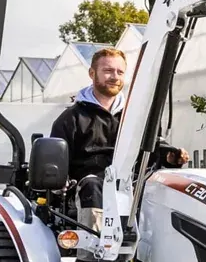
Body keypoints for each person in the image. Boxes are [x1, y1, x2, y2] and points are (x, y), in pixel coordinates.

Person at [50, 47, 187, 222]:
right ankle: (94, 245)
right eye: (108, 71)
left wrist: (169, 156)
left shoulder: (137, 117)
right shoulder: (71, 119)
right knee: (93, 185)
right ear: (92, 73)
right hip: (88, 189)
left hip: (131, 185)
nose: (115, 77)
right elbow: (57, 165)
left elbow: (152, 149)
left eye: (120, 72)